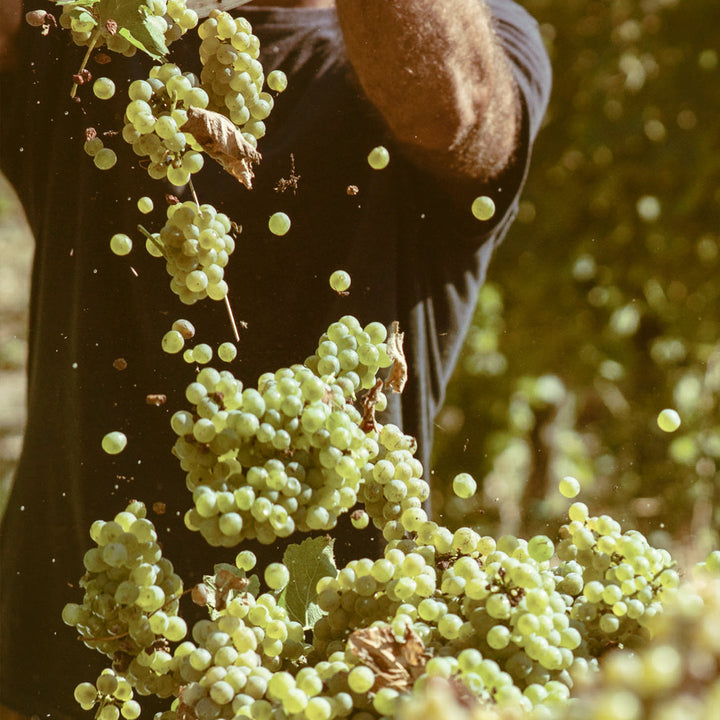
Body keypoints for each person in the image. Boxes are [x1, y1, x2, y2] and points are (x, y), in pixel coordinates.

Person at [0, 0, 551, 717]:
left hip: (325, 680)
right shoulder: (95, 37)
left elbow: (452, 110)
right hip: (71, 670)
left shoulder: (480, 35)